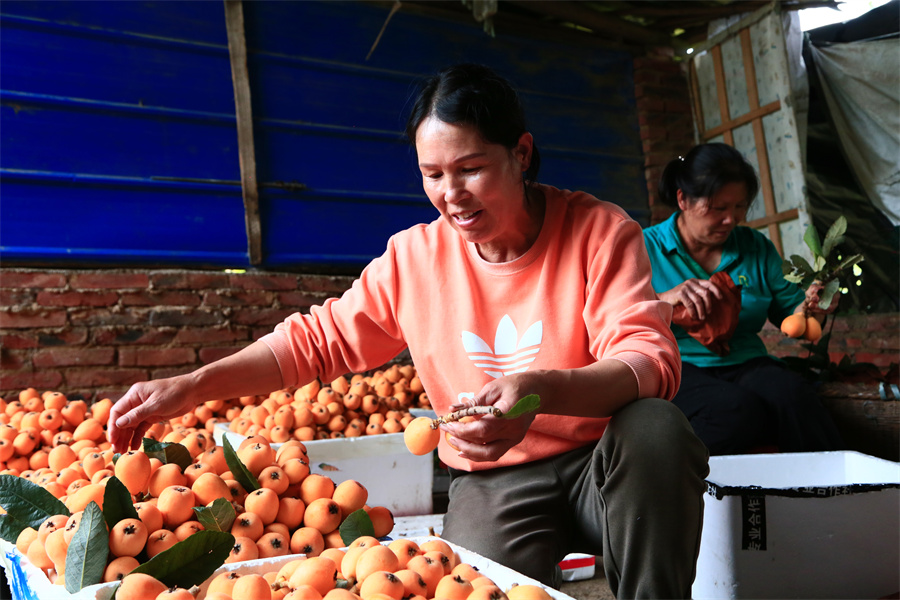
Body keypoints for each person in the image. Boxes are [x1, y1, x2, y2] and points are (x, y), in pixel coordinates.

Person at [108, 64, 709, 598]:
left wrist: (540, 392)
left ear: (521, 154)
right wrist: (194, 384)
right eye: (433, 174)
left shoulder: (599, 231)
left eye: (471, 169)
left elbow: (647, 362)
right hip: (491, 474)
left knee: (656, 427)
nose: (452, 196)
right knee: (468, 587)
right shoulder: (412, 259)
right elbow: (316, 341)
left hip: (602, 463)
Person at [642, 142, 844, 456]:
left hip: (746, 361)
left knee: (795, 397)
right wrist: (665, 300)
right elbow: (612, 317)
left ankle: (829, 494)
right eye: (718, 208)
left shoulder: (755, 246)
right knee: (734, 411)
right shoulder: (643, 247)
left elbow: (793, 320)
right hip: (676, 366)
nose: (731, 219)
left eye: (739, 207)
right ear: (683, 199)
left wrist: (813, 309)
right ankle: (673, 487)